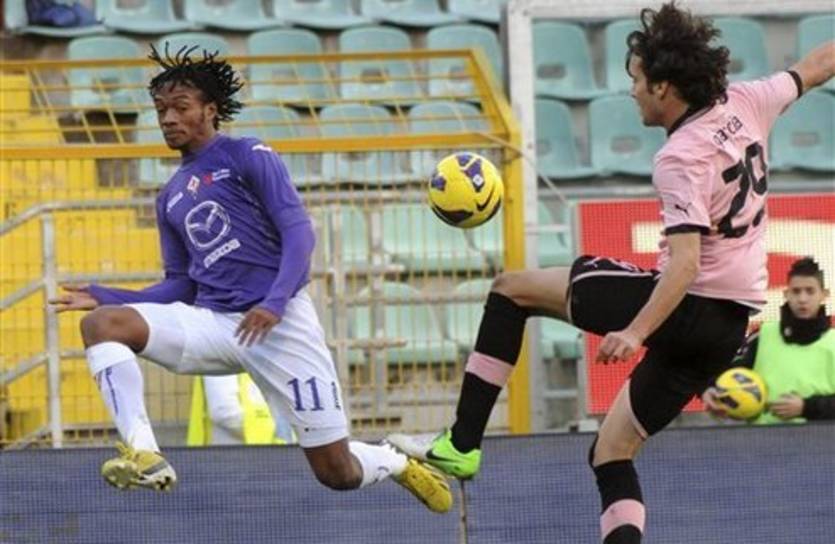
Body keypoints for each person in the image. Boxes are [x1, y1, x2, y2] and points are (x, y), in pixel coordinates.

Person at [388, 3, 835, 541]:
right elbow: (817, 64)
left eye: (637, 80)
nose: (632, 91)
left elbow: (687, 264)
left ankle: (461, 444)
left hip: (687, 306)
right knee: (611, 452)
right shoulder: (748, 100)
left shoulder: (679, 157)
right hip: (727, 328)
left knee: (511, 291)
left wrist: (635, 331)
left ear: (664, 87)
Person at [49, 43, 452, 513]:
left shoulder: (247, 154)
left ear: (210, 110)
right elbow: (182, 286)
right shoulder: (170, 196)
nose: (168, 119)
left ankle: (395, 461)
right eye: (161, 110)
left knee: (337, 473)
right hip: (218, 325)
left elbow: (299, 233)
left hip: (282, 325)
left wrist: (275, 302)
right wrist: (107, 296)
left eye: (180, 107)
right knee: (102, 325)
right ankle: (145, 454)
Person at [704, 257, 835, 424]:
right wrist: (712, 390)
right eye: (796, 291)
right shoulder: (763, 335)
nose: (802, 299)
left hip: (822, 439)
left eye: (810, 291)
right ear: (786, 294)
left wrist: (806, 407)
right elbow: (729, 373)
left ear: (824, 295)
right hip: (762, 437)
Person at [187, 374, 296, 446]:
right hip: (236, 455)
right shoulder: (220, 352)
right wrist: (273, 430)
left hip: (273, 452)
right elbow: (225, 413)